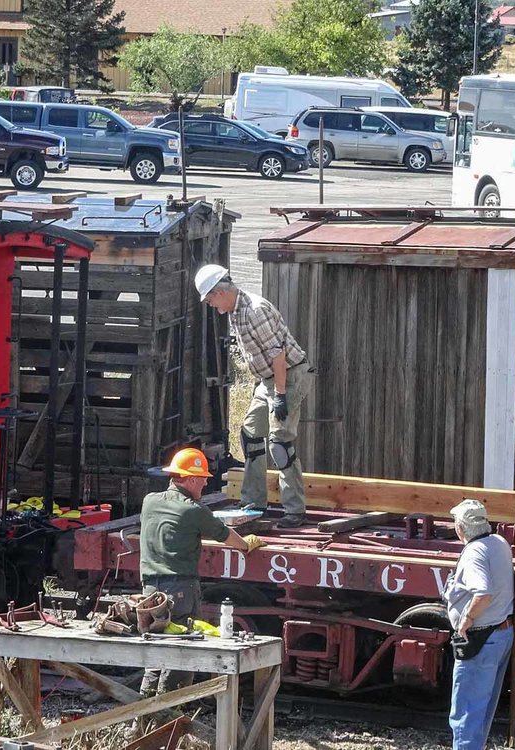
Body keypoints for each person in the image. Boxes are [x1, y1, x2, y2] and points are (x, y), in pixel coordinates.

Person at [194, 264, 314, 529]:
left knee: (279, 442)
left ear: (220, 292)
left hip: (288, 376)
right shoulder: (234, 311)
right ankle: (254, 502)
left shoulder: (255, 311)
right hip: (268, 379)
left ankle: (295, 510)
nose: (211, 304)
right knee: (251, 434)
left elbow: (278, 356)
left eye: (210, 298)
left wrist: (280, 396)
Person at [138, 447, 261, 697]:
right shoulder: (194, 510)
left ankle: (144, 716)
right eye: (203, 479)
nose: (206, 483)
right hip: (180, 590)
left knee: (156, 652)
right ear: (191, 479)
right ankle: (169, 717)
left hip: (150, 591)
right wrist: (247, 544)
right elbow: (228, 537)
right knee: (183, 654)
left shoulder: (149, 501)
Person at [442, 498, 515, 750]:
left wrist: (466, 620)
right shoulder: (500, 543)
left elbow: (483, 592)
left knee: (466, 712)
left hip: (480, 637)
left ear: (460, 528)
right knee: (482, 708)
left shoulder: (473, 553)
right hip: (501, 632)